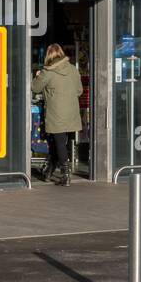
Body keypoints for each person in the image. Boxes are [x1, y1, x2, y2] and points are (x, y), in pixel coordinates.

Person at [31, 43, 83, 186]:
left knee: (59, 142)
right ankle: (49, 171)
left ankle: (65, 174)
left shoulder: (47, 72)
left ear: (49, 56)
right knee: (59, 141)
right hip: (71, 112)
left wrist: (37, 76)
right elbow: (79, 91)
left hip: (56, 113)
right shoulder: (73, 69)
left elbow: (34, 88)